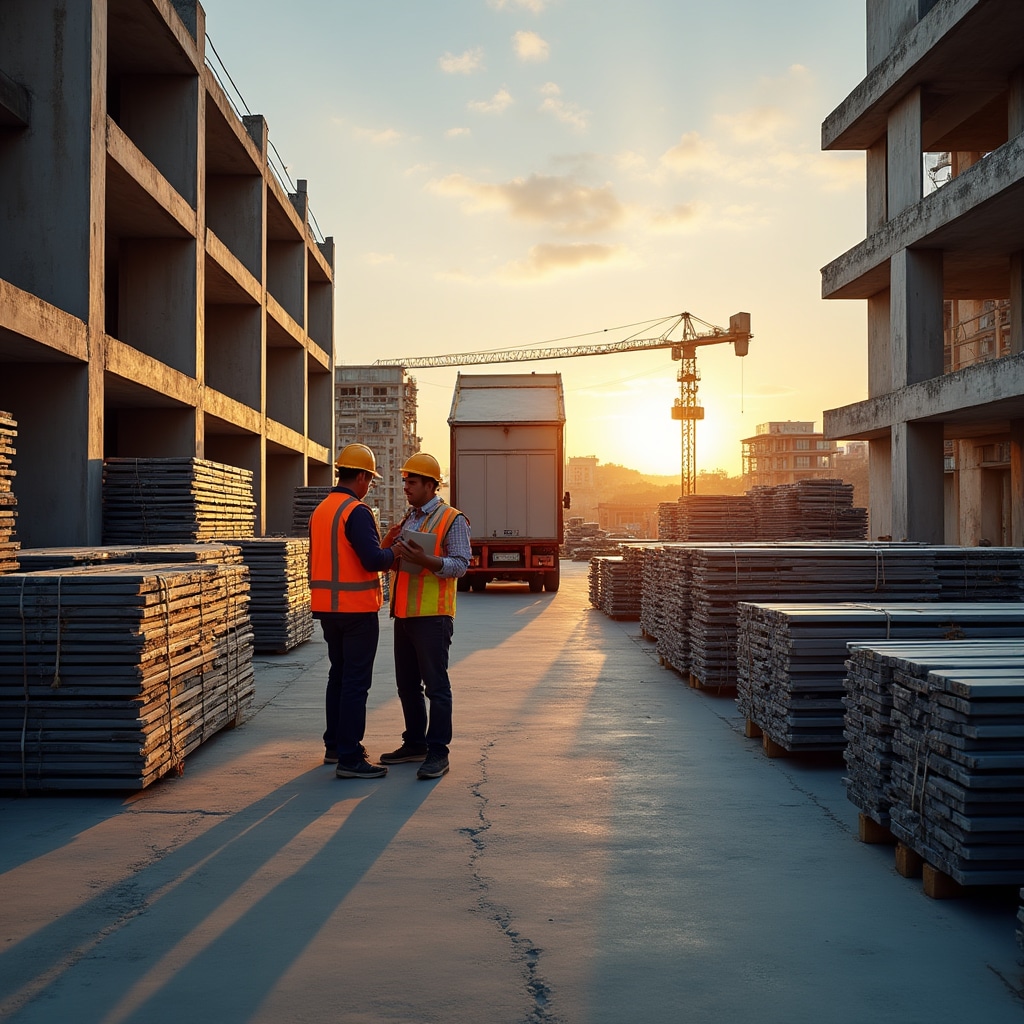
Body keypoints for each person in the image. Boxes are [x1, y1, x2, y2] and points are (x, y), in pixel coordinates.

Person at [308, 443, 396, 779]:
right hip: (357, 611)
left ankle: (334, 745)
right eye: (370, 480)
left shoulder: (322, 510)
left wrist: (383, 543)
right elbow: (372, 560)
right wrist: (396, 552)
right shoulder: (356, 511)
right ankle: (350, 757)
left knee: (339, 676)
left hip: (328, 610)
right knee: (356, 682)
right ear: (360, 476)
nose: (370, 485)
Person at [382, 452, 470, 780]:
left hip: (433, 616)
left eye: (413, 481)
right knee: (407, 684)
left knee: (436, 686)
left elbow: (461, 565)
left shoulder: (452, 519)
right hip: (404, 613)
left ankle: (438, 752)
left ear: (431, 485)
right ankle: (415, 742)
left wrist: (427, 559)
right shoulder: (409, 519)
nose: (406, 486)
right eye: (405, 480)